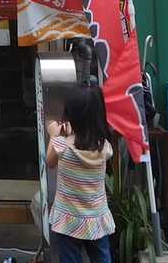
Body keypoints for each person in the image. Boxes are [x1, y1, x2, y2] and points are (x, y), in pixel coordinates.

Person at [45, 84, 116, 263]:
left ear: (71, 116)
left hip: (68, 219)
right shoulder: (104, 147)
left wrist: (54, 134)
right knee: (102, 258)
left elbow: (50, 162)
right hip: (96, 217)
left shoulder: (62, 146)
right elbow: (85, 140)